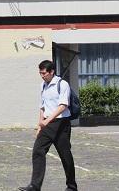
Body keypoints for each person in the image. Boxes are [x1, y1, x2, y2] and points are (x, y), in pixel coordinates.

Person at [21, 60, 78, 191]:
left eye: (44, 73)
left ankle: (72, 186)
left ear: (52, 72)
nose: (42, 75)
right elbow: (42, 107)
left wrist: (48, 121)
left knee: (65, 155)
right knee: (37, 151)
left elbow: (63, 106)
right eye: (40, 73)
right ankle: (34, 186)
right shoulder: (42, 85)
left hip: (61, 123)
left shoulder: (62, 84)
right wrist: (40, 125)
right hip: (47, 124)